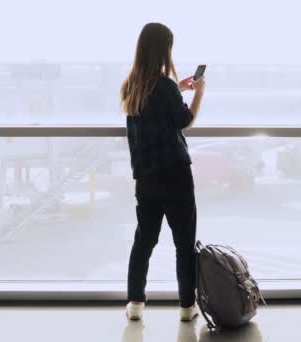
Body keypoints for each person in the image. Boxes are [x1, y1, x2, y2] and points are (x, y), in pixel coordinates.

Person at [120, 22, 205, 321]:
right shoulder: (164, 86)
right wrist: (198, 92)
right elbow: (184, 120)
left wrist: (177, 88)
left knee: (144, 240)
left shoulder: (131, 86)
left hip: (145, 178)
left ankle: (135, 304)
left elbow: (152, 110)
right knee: (184, 242)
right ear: (164, 50)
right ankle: (186, 307)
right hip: (175, 176)